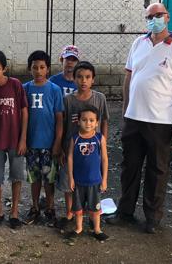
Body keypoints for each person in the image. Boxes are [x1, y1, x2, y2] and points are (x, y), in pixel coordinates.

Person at [111, 2, 172, 234]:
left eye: (157, 15)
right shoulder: (139, 43)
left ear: (167, 17)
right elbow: (129, 78)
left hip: (161, 122)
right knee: (129, 167)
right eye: (149, 16)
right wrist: (126, 110)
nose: (153, 20)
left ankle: (152, 219)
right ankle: (125, 212)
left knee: (157, 171)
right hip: (134, 118)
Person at [56, 61, 109, 229]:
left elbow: (105, 120)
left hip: (93, 149)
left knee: (93, 182)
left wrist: (103, 142)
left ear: (93, 79)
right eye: (79, 77)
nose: (83, 81)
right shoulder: (68, 100)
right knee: (69, 183)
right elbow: (63, 125)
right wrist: (62, 148)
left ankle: (93, 214)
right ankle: (70, 213)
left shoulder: (99, 98)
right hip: (72, 148)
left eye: (87, 77)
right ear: (74, 79)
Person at [0, 50, 28, 229]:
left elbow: (24, 111)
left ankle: (15, 212)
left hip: (15, 140)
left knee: (17, 176)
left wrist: (23, 138)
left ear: (5, 69)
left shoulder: (15, 84)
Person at [22, 50, 63, 226]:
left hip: (49, 144)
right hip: (31, 144)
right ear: (29, 69)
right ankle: (35, 207)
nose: (38, 71)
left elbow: (60, 119)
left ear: (47, 69)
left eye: (42, 67)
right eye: (35, 67)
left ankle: (50, 207)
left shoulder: (54, 89)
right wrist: (23, 140)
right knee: (34, 177)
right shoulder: (25, 88)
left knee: (49, 178)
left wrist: (57, 143)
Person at [67, 105, 109, 241]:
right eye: (84, 120)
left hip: (95, 181)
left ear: (97, 122)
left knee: (95, 209)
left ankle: (97, 229)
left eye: (92, 120)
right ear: (78, 121)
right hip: (78, 181)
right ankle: (78, 228)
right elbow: (70, 158)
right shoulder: (75, 138)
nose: (88, 123)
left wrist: (104, 179)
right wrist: (71, 178)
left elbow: (104, 159)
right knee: (78, 208)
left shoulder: (99, 138)